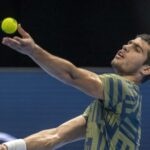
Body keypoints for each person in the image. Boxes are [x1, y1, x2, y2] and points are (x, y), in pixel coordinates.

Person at [0, 24, 150, 150]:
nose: (126, 46)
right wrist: (8, 148)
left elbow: (72, 75)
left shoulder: (125, 89)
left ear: (146, 69)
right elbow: (55, 136)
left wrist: (33, 51)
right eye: (129, 43)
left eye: (137, 49)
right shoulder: (107, 110)